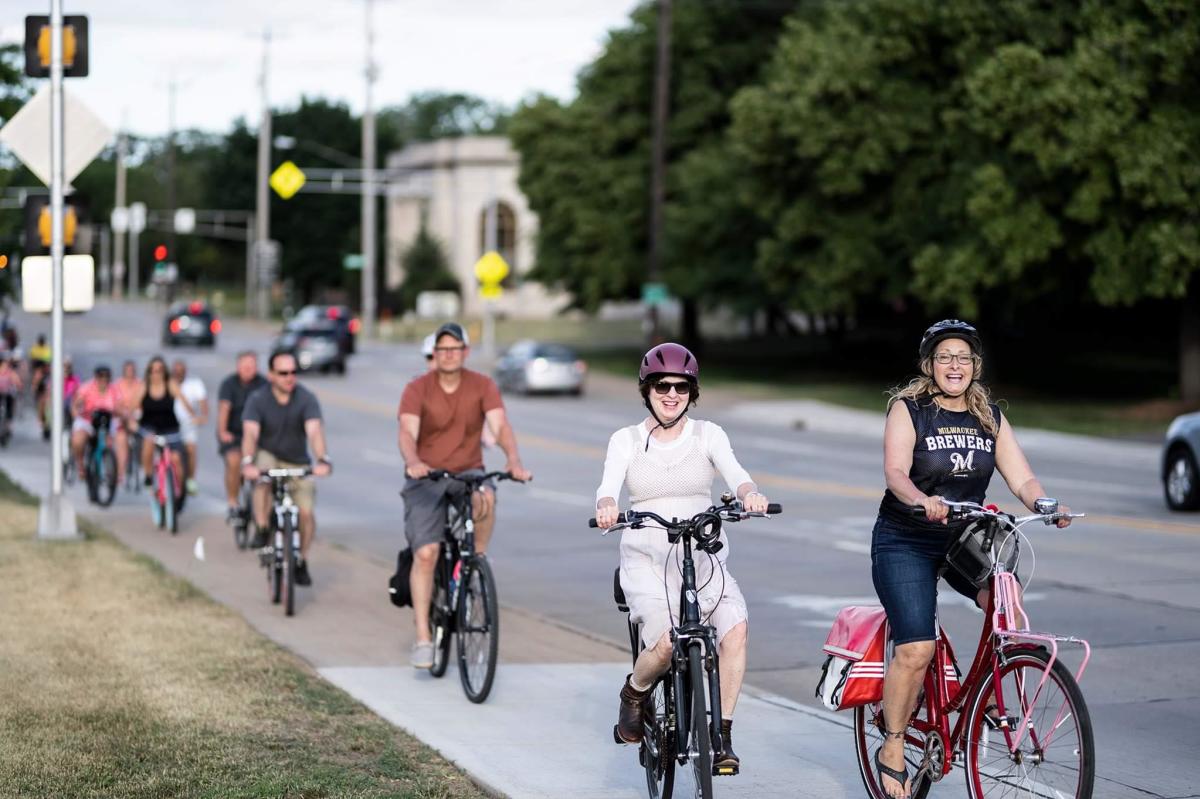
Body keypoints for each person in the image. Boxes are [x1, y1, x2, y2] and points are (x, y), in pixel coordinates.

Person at [870, 320, 1072, 799]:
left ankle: (986, 683)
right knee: (915, 649)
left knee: (1006, 597)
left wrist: (1044, 505)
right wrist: (921, 498)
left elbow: (1023, 479)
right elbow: (895, 472)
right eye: (945, 357)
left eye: (963, 357)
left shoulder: (990, 418)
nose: (954, 365)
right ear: (930, 365)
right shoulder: (909, 409)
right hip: (907, 538)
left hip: (965, 540)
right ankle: (893, 743)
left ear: (975, 367)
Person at [594, 343, 766, 773]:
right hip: (647, 557)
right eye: (662, 385)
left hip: (702, 554)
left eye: (682, 386)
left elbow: (737, 474)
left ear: (693, 391)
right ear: (646, 389)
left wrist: (750, 495)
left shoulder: (709, 434)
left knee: (736, 630)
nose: (671, 394)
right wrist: (606, 506)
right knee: (665, 645)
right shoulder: (626, 440)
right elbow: (608, 484)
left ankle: (722, 736)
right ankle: (635, 691)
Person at [398, 322, 532, 668]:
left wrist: (513, 460)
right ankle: (424, 638)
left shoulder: (482, 385)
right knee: (426, 553)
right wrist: (412, 461)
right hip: (425, 476)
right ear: (435, 354)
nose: (448, 355)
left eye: (455, 349)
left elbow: (500, 425)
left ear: (465, 353)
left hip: (466, 471)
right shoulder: (418, 388)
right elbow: (407, 432)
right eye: (442, 350)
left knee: (486, 496)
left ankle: (476, 562)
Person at [240, 351, 331, 585]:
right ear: (271, 375)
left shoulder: (306, 398)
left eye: (293, 372)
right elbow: (251, 432)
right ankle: (261, 528)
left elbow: (314, 431)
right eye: (283, 373)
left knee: (307, 512)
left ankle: (301, 560)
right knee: (263, 476)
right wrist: (248, 461)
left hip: (297, 460)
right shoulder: (258, 399)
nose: (289, 378)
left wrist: (322, 459)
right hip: (269, 455)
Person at [217, 351, 268, 520]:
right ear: (238, 367)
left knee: (266, 467)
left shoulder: (263, 384)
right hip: (235, 434)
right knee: (234, 461)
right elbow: (224, 409)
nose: (248, 369)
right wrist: (223, 432)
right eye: (245, 366)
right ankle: (233, 502)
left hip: (258, 436)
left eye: (251, 366)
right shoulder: (229, 384)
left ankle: (264, 509)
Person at [130, 356, 193, 491]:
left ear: (165, 371)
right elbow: (132, 407)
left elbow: (185, 402)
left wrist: (194, 417)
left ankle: (180, 490)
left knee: (176, 459)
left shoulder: (170, 384)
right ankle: (148, 476)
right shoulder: (144, 386)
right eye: (153, 370)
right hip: (149, 427)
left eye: (160, 370)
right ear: (149, 372)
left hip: (170, 428)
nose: (156, 373)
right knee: (148, 441)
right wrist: (131, 421)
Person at [70, 365, 129, 481]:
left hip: (108, 421)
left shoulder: (114, 389)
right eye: (101, 377)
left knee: (122, 439)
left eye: (106, 377)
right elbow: (77, 403)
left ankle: (119, 474)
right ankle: (81, 466)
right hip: (89, 420)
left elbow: (120, 406)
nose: (103, 380)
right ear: (96, 377)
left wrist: (124, 415)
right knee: (78, 440)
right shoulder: (87, 387)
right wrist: (76, 413)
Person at [171, 359, 208, 495]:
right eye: (175, 371)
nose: (178, 374)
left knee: (191, 448)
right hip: (169, 424)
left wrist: (202, 416)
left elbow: (203, 404)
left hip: (188, 424)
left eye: (181, 371)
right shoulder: (167, 383)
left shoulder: (194, 384)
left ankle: (191, 479)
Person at [29, 334, 51, 439]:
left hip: (45, 383)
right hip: (40, 382)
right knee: (41, 406)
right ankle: (43, 423)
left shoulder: (47, 349)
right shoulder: (35, 349)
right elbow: (32, 361)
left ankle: (47, 423)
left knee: (45, 405)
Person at [0, 356, 22, 439]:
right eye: (4, 364)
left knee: (10, 409)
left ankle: (8, 425)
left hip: (8, 394)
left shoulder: (10, 372)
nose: (5, 366)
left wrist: (19, 387)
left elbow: (17, 381)